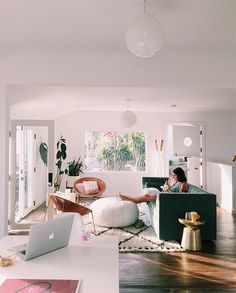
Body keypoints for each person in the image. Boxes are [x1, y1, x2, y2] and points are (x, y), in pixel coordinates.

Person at [118, 167, 188, 204]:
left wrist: (168, 190)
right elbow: (170, 192)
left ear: (179, 175)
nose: (173, 177)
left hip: (167, 199)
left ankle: (126, 198)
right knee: (146, 195)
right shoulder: (176, 183)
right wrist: (167, 186)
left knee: (146, 196)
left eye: (174, 175)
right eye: (173, 175)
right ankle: (126, 197)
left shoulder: (183, 184)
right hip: (165, 196)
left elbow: (181, 197)